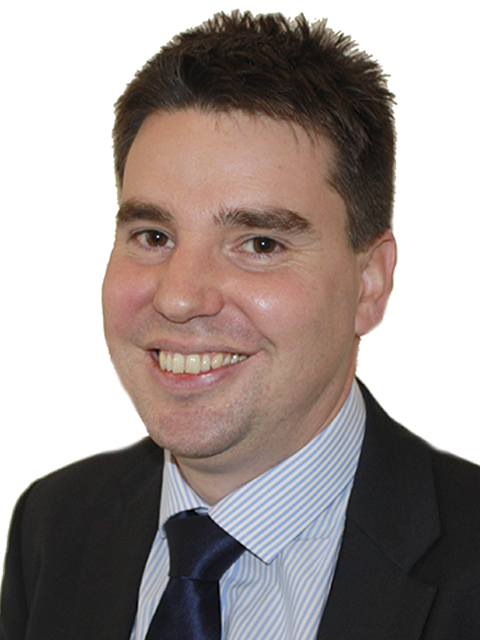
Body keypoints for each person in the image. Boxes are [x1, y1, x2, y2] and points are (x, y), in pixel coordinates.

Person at [1, 10, 479, 640]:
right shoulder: (53, 526)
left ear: (369, 283)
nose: (178, 298)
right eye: (153, 235)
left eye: (259, 244)